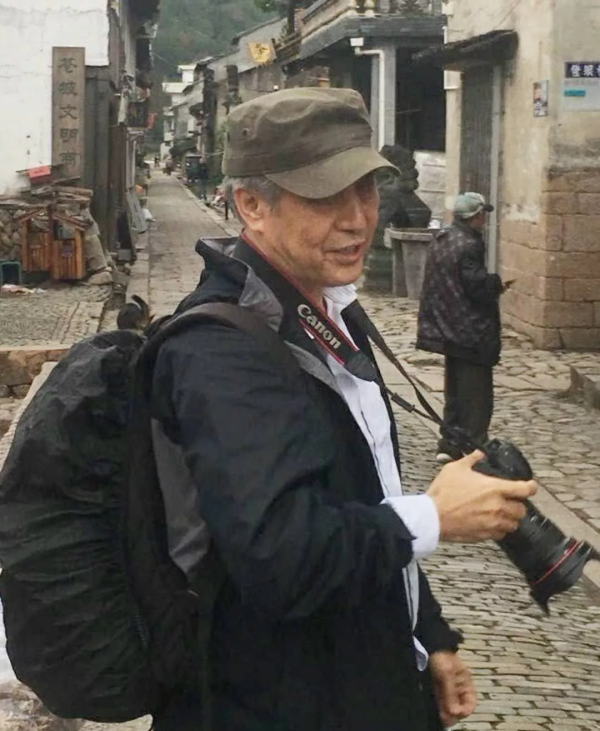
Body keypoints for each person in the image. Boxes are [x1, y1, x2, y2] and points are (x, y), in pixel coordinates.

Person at [150, 90, 536, 731]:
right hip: (271, 703)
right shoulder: (222, 351)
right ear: (251, 205)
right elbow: (279, 558)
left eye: (367, 190)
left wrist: (427, 635)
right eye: (326, 197)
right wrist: (434, 516)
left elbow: (367, 494)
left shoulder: (330, 311)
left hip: (366, 676)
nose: (358, 219)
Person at [416, 192, 513, 463]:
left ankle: (449, 445)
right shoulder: (469, 244)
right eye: (483, 215)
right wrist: (496, 284)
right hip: (469, 329)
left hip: (446, 324)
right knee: (477, 396)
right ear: (476, 216)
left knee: (455, 392)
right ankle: (474, 448)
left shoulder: (443, 238)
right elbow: (476, 286)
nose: (484, 220)